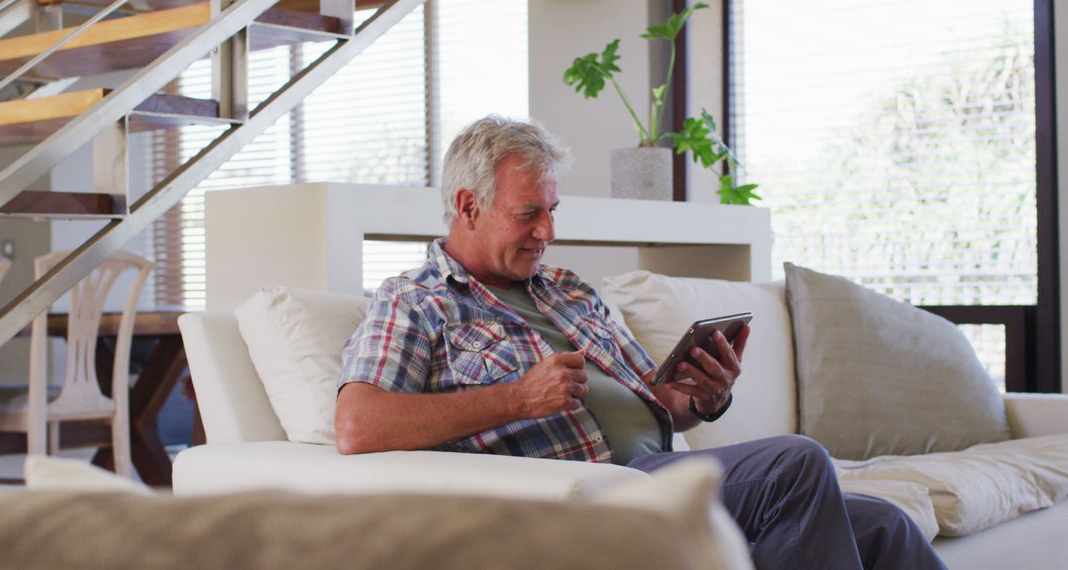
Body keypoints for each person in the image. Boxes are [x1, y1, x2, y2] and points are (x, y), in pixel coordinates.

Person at [335, 115, 946, 570]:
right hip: (587, 497)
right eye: (529, 214)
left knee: (887, 527)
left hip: (660, 471)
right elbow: (358, 425)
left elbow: (656, 400)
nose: (548, 231)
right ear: (468, 206)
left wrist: (701, 397)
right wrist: (518, 398)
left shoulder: (567, 290)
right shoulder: (417, 300)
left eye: (552, 210)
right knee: (795, 463)